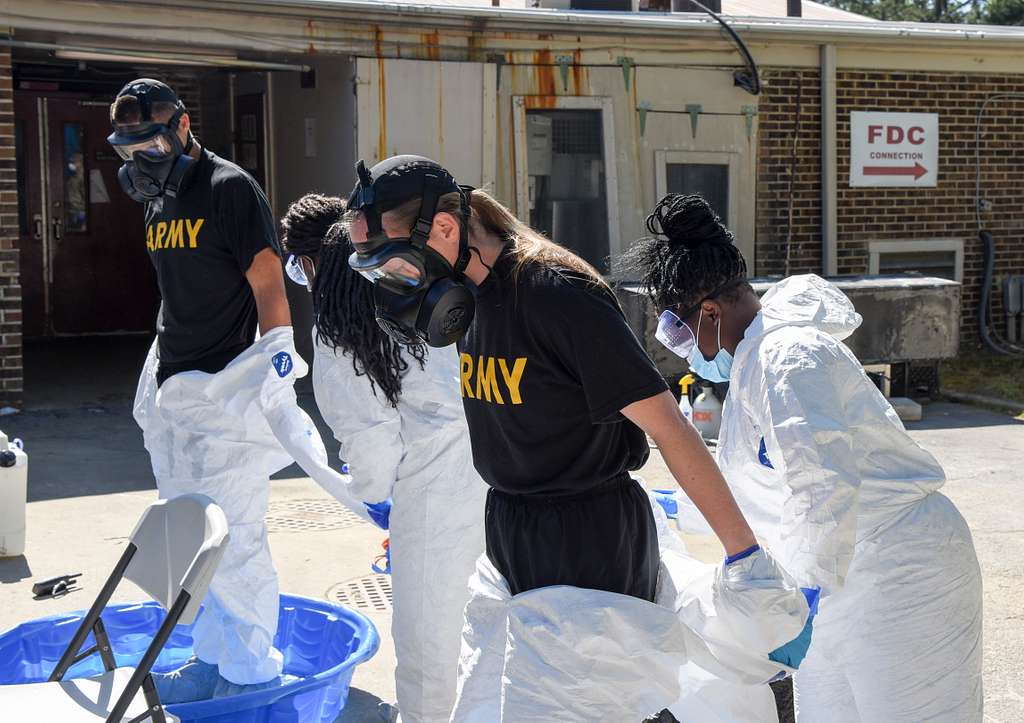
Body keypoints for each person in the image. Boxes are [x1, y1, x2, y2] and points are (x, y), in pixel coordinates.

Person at [344, 156, 813, 720]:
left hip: (587, 542)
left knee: (587, 707)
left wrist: (746, 558)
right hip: (514, 533)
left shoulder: (554, 293)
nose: (397, 289)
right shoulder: (475, 299)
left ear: (444, 230)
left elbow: (669, 426)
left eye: (395, 267)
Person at [627, 193, 983, 722]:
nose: (681, 349)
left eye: (676, 332)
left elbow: (824, 484)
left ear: (708, 311)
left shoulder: (789, 356)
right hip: (841, 578)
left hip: (902, 571)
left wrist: (803, 600)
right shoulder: (755, 366)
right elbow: (762, 486)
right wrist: (670, 505)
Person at [109, 78, 356, 703]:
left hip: (229, 390)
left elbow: (268, 286)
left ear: (185, 127)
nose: (143, 158)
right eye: (130, 147)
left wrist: (272, 368)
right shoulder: (155, 198)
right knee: (197, 538)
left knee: (237, 541)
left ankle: (252, 675)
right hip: (180, 386)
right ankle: (213, 661)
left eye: (154, 142)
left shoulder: (228, 189)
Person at [280, 194, 487, 723]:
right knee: (482, 621)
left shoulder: (338, 334)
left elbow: (370, 442)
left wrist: (374, 497)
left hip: (428, 501)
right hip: (490, 476)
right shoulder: (409, 297)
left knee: (426, 648)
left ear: (310, 265)